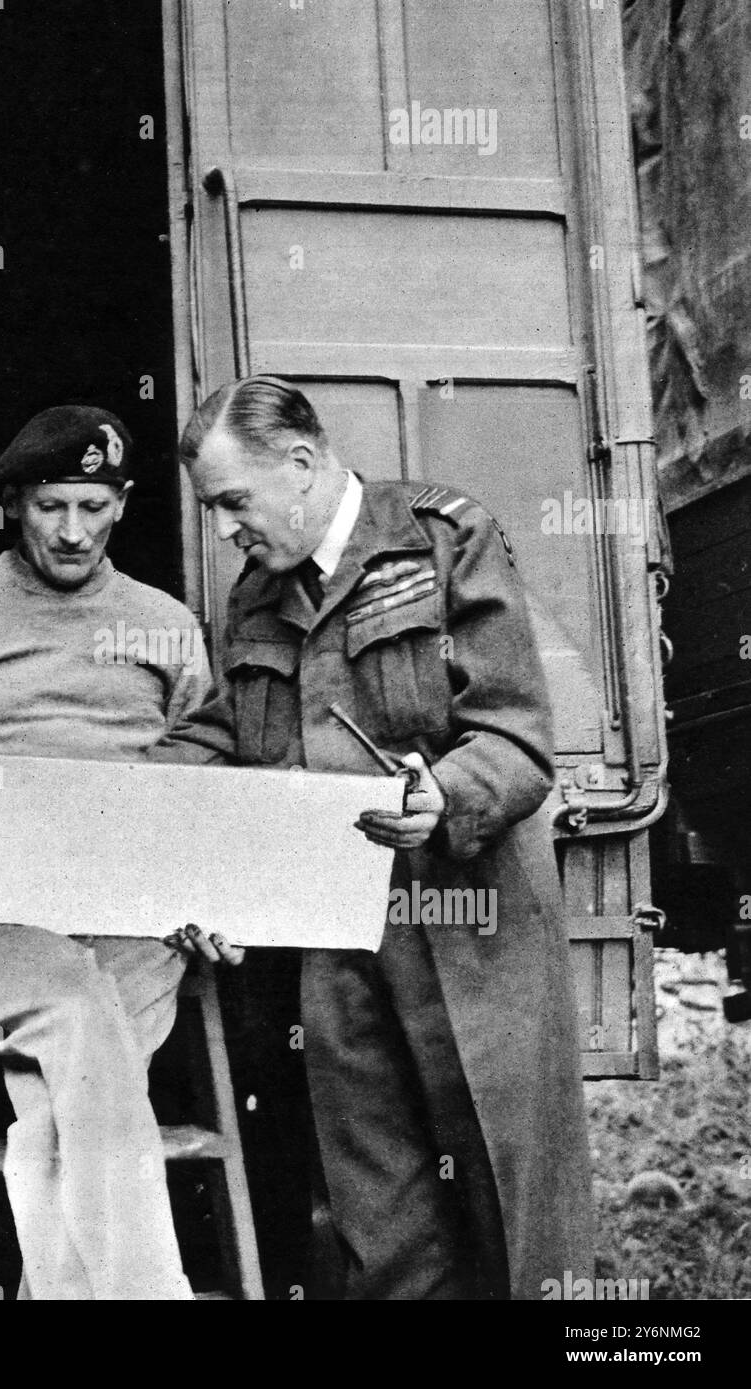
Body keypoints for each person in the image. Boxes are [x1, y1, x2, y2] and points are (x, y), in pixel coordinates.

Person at [155, 375, 595, 1300]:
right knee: (380, 1226)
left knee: (516, 1220)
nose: (225, 528)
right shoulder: (255, 596)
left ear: (303, 465)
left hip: (470, 925)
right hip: (338, 948)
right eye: (214, 509)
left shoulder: (443, 539)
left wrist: (444, 793)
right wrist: (136, 800)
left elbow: (517, 740)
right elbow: (229, 733)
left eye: (234, 502)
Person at [0, 405, 222, 1300]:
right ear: (13, 505)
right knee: (82, 1022)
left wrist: (186, 875)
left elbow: (209, 775)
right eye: (52, 505)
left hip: (130, 914)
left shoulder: (164, 624)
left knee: (69, 1088)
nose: (71, 530)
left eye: (93, 506)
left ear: (123, 505)